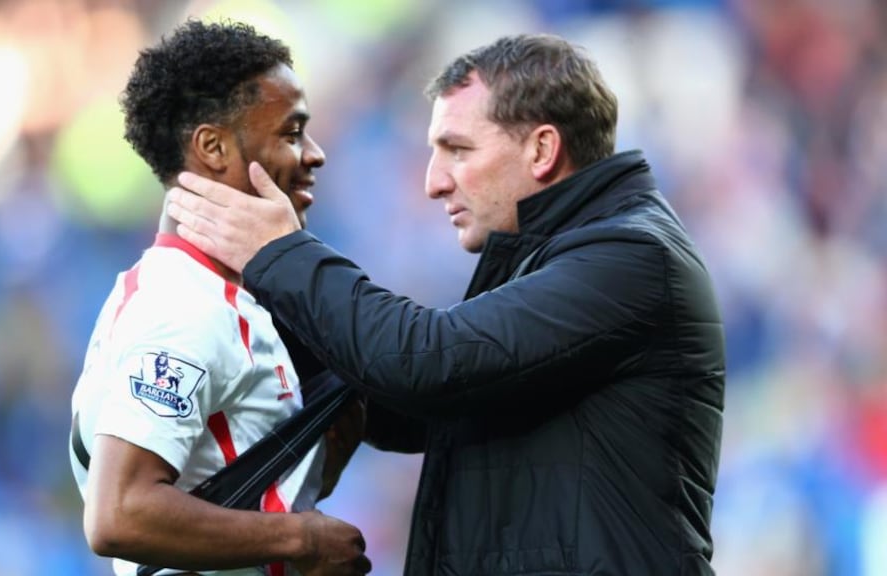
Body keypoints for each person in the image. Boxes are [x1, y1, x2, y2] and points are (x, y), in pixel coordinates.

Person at [165, 33, 726, 575]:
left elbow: (427, 363)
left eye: (457, 150)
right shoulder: (552, 258)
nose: (433, 182)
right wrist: (254, 310)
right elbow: (414, 406)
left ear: (543, 149)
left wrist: (279, 256)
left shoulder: (630, 257)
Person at [68, 19, 371, 576]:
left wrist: (320, 467)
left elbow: (216, 488)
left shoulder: (215, 295)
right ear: (212, 146)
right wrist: (303, 539)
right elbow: (119, 514)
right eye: (292, 132)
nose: (315, 153)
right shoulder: (184, 307)